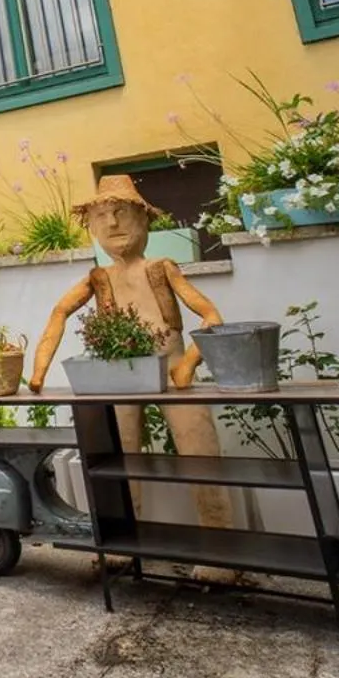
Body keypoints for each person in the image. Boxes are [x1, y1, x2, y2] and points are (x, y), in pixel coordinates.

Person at [29, 175, 236, 557]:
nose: (113, 224)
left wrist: (188, 364)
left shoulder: (161, 267)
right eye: (103, 216)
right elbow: (60, 312)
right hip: (119, 380)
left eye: (122, 213)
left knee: (200, 455)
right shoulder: (99, 277)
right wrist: (39, 372)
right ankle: (124, 548)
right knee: (118, 461)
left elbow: (210, 315)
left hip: (174, 379)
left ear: (144, 220)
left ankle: (222, 549)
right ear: (92, 227)